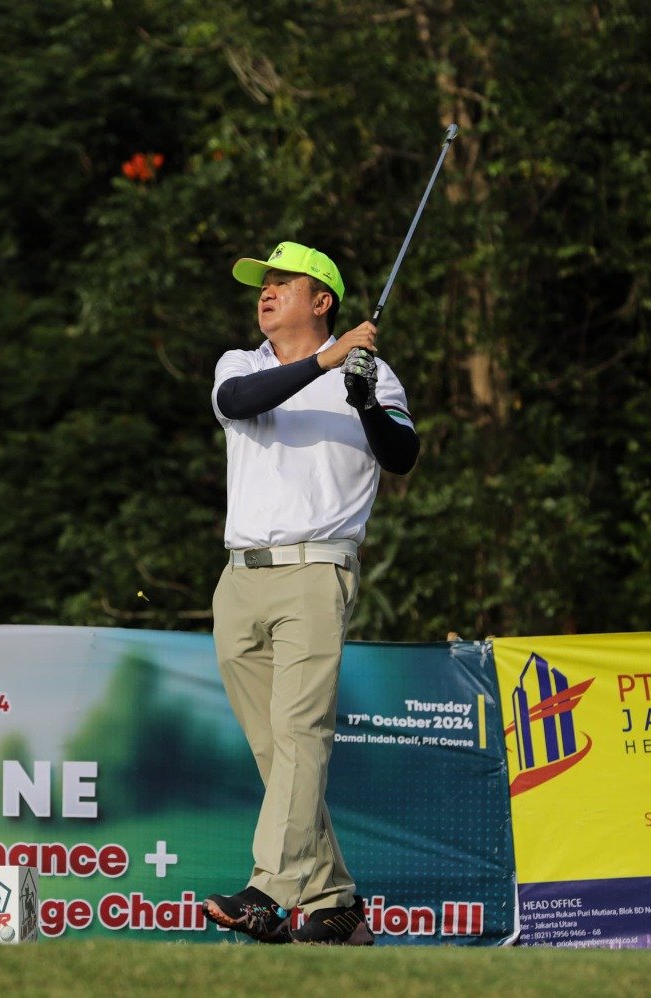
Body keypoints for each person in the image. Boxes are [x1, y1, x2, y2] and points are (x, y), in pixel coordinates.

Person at [200, 240, 418, 946]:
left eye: (281, 283)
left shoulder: (370, 375)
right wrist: (324, 364)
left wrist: (362, 403)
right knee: (275, 750)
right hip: (238, 579)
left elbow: (401, 456)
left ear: (320, 300)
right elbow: (238, 402)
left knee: (298, 737)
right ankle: (336, 903)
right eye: (261, 285)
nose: (264, 293)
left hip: (314, 575)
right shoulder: (242, 366)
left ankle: (266, 893)